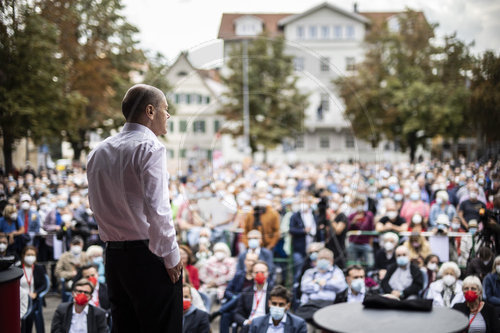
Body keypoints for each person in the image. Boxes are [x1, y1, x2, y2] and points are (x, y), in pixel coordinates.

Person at [87, 84, 183, 332]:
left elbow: (95, 205)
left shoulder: (99, 151)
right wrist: (171, 256)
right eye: (166, 109)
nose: (168, 115)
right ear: (150, 111)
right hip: (148, 256)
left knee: (124, 326)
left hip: (115, 257)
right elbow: (159, 210)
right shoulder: (150, 147)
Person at [234, 261, 274, 333]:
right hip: (249, 326)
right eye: (256, 272)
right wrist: (246, 322)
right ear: (252, 274)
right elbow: (237, 313)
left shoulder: (274, 292)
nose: (259, 275)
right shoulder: (246, 291)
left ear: (267, 274)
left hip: (267, 325)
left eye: (262, 272)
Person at [19, 245, 47, 333]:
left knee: (36, 315)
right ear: (23, 256)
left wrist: (36, 293)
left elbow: (44, 284)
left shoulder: (39, 268)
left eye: (32, 255)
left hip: (34, 298)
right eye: (28, 255)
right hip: (21, 299)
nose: (30, 257)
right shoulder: (18, 269)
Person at [347, 196, 375, 267]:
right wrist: (353, 221)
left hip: (365, 243)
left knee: (370, 264)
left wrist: (370, 245)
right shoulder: (351, 216)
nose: (360, 206)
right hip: (353, 243)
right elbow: (347, 229)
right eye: (358, 204)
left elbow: (371, 230)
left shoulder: (369, 215)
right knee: (352, 264)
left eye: (362, 204)